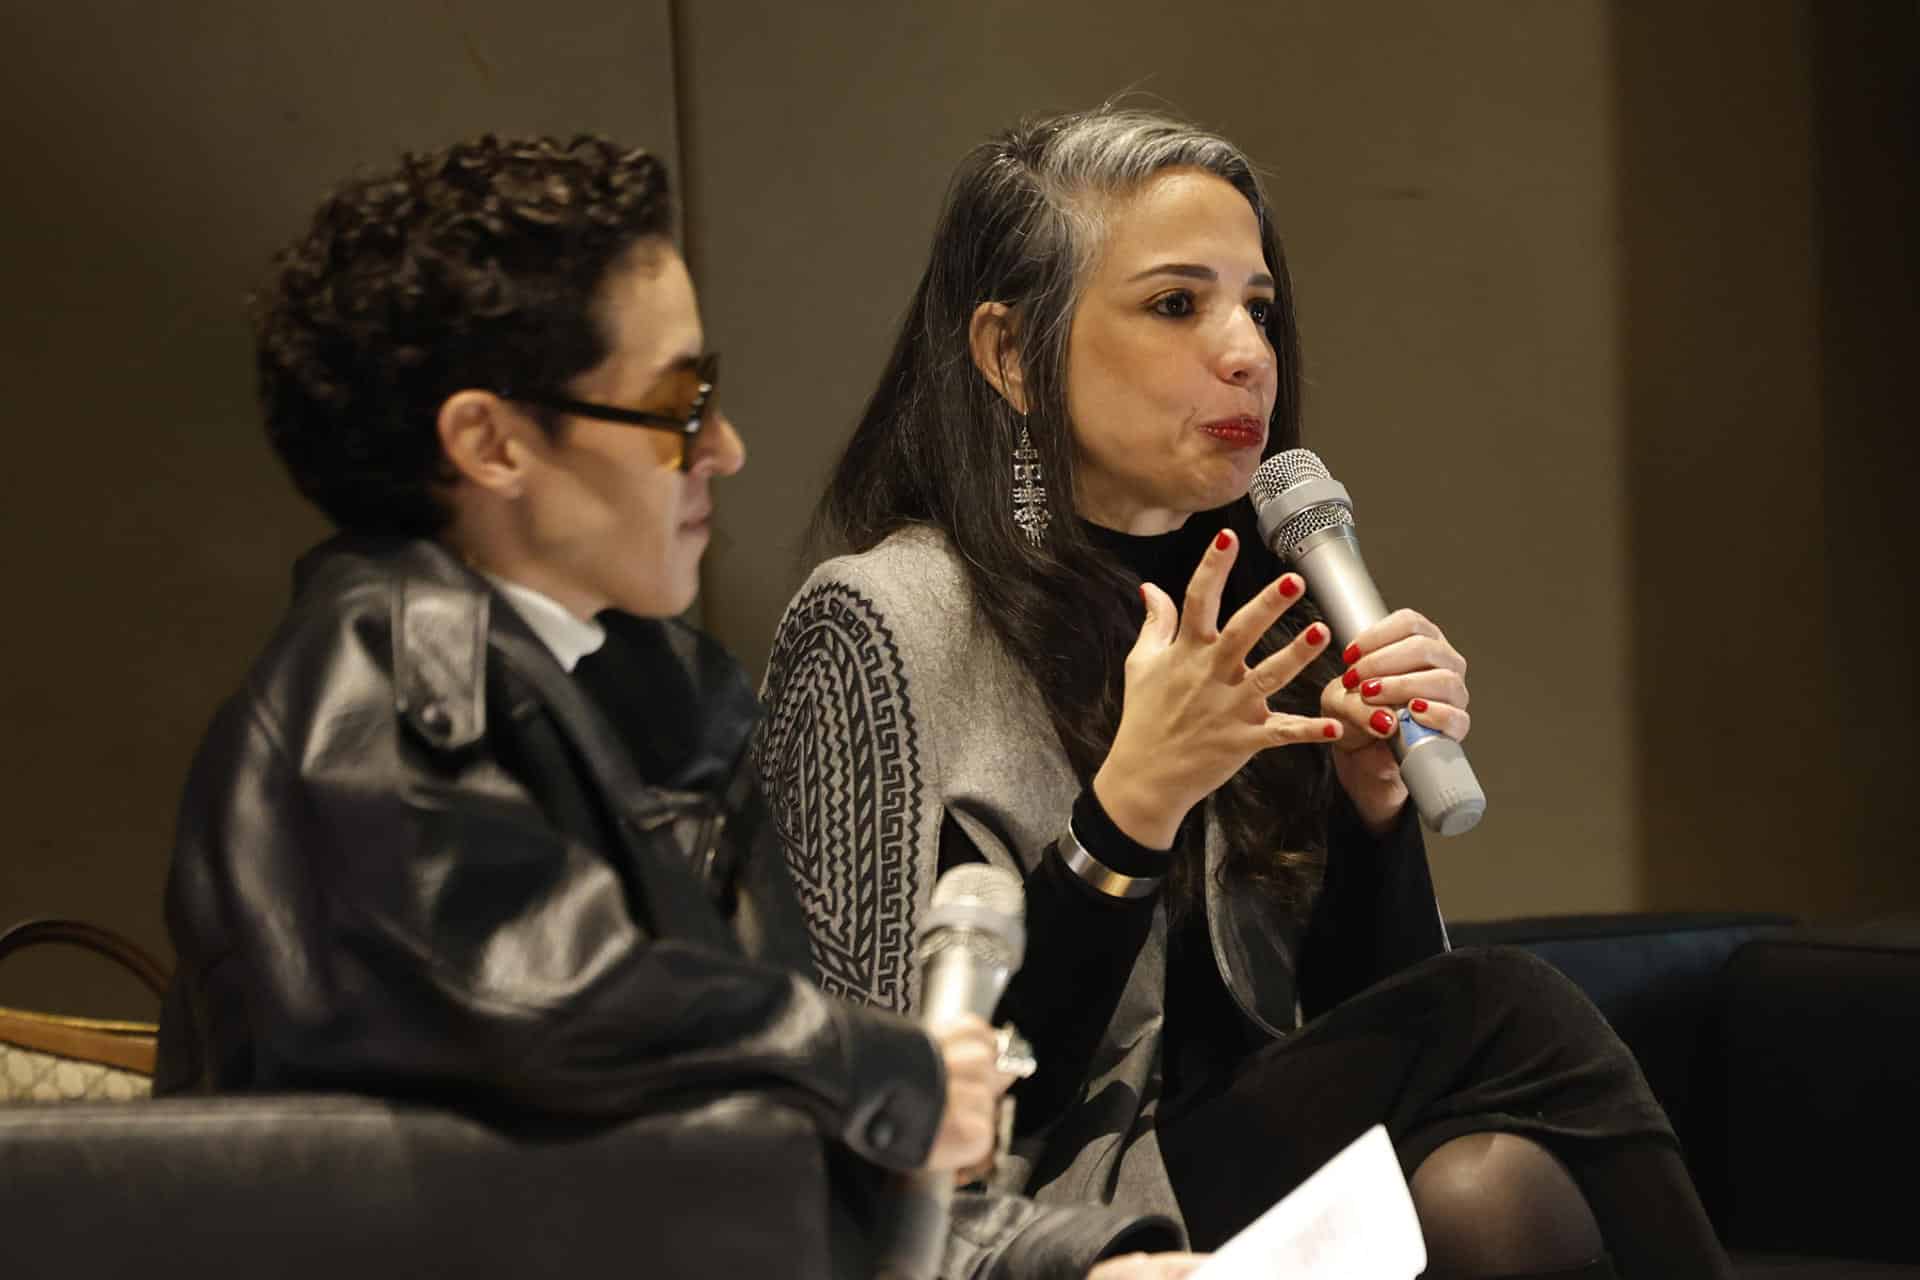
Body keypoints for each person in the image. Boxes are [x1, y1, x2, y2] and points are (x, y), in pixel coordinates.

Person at [155, 132, 1196, 1279]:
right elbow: (558, 1021)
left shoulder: (663, 693)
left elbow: (764, 1168)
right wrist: (885, 1073)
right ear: (491, 441)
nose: (727, 448)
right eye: (678, 402)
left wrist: (1068, 1264)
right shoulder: (368, 693)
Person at [756, 106, 1733, 1279]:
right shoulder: (878, 621)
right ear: (1010, 352)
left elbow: (1361, 1030)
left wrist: (1369, 815)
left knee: (1494, 1191)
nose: (1247, 351)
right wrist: (1125, 818)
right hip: (1035, 1225)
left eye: (1257, 307)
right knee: (1506, 1006)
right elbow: (879, 1110)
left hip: (1233, 1174)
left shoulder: (1267, 594)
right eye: (1178, 304)